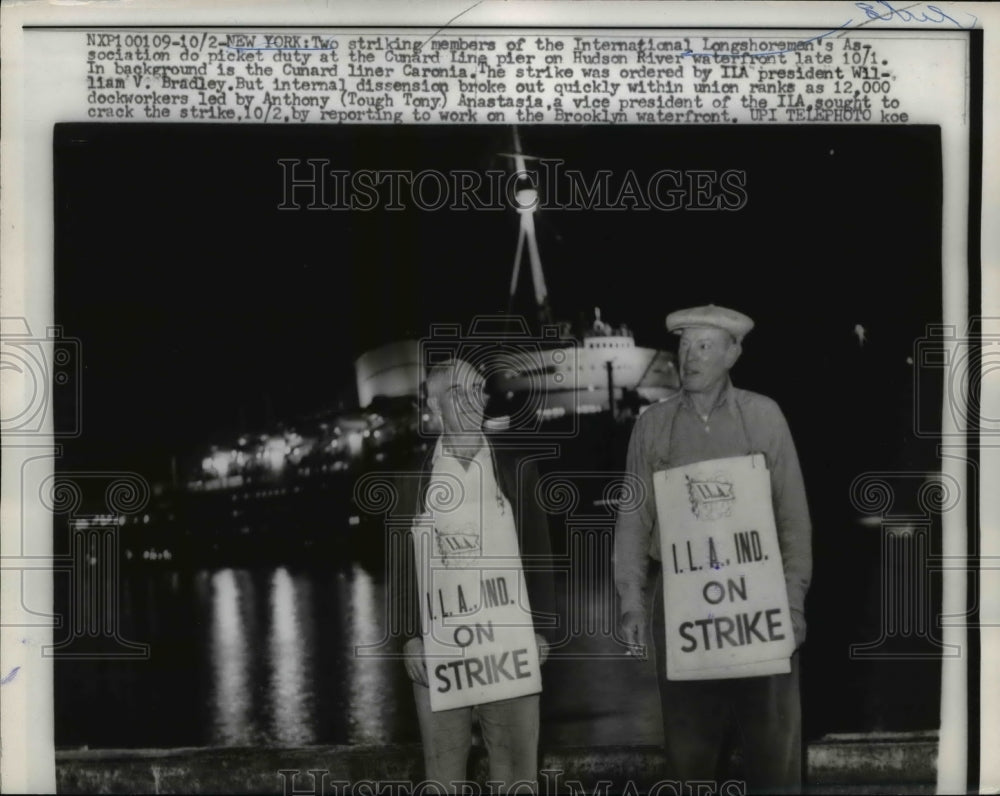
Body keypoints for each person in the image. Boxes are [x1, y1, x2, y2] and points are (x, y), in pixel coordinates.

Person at [614, 305, 812, 793]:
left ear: (733, 353)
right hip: (682, 606)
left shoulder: (764, 417)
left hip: (759, 602)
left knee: (774, 749)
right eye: (684, 346)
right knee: (688, 754)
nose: (690, 357)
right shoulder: (652, 426)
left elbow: (793, 517)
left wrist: (793, 601)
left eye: (704, 346)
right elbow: (634, 520)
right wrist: (631, 602)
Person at [397, 356, 555, 793]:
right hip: (439, 650)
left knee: (518, 771)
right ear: (433, 405)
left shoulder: (516, 467)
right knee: (444, 774)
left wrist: (541, 629)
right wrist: (410, 636)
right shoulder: (413, 480)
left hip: (507, 645)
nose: (472, 401)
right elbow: (401, 567)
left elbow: (539, 552)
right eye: (458, 393)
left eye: (478, 390)